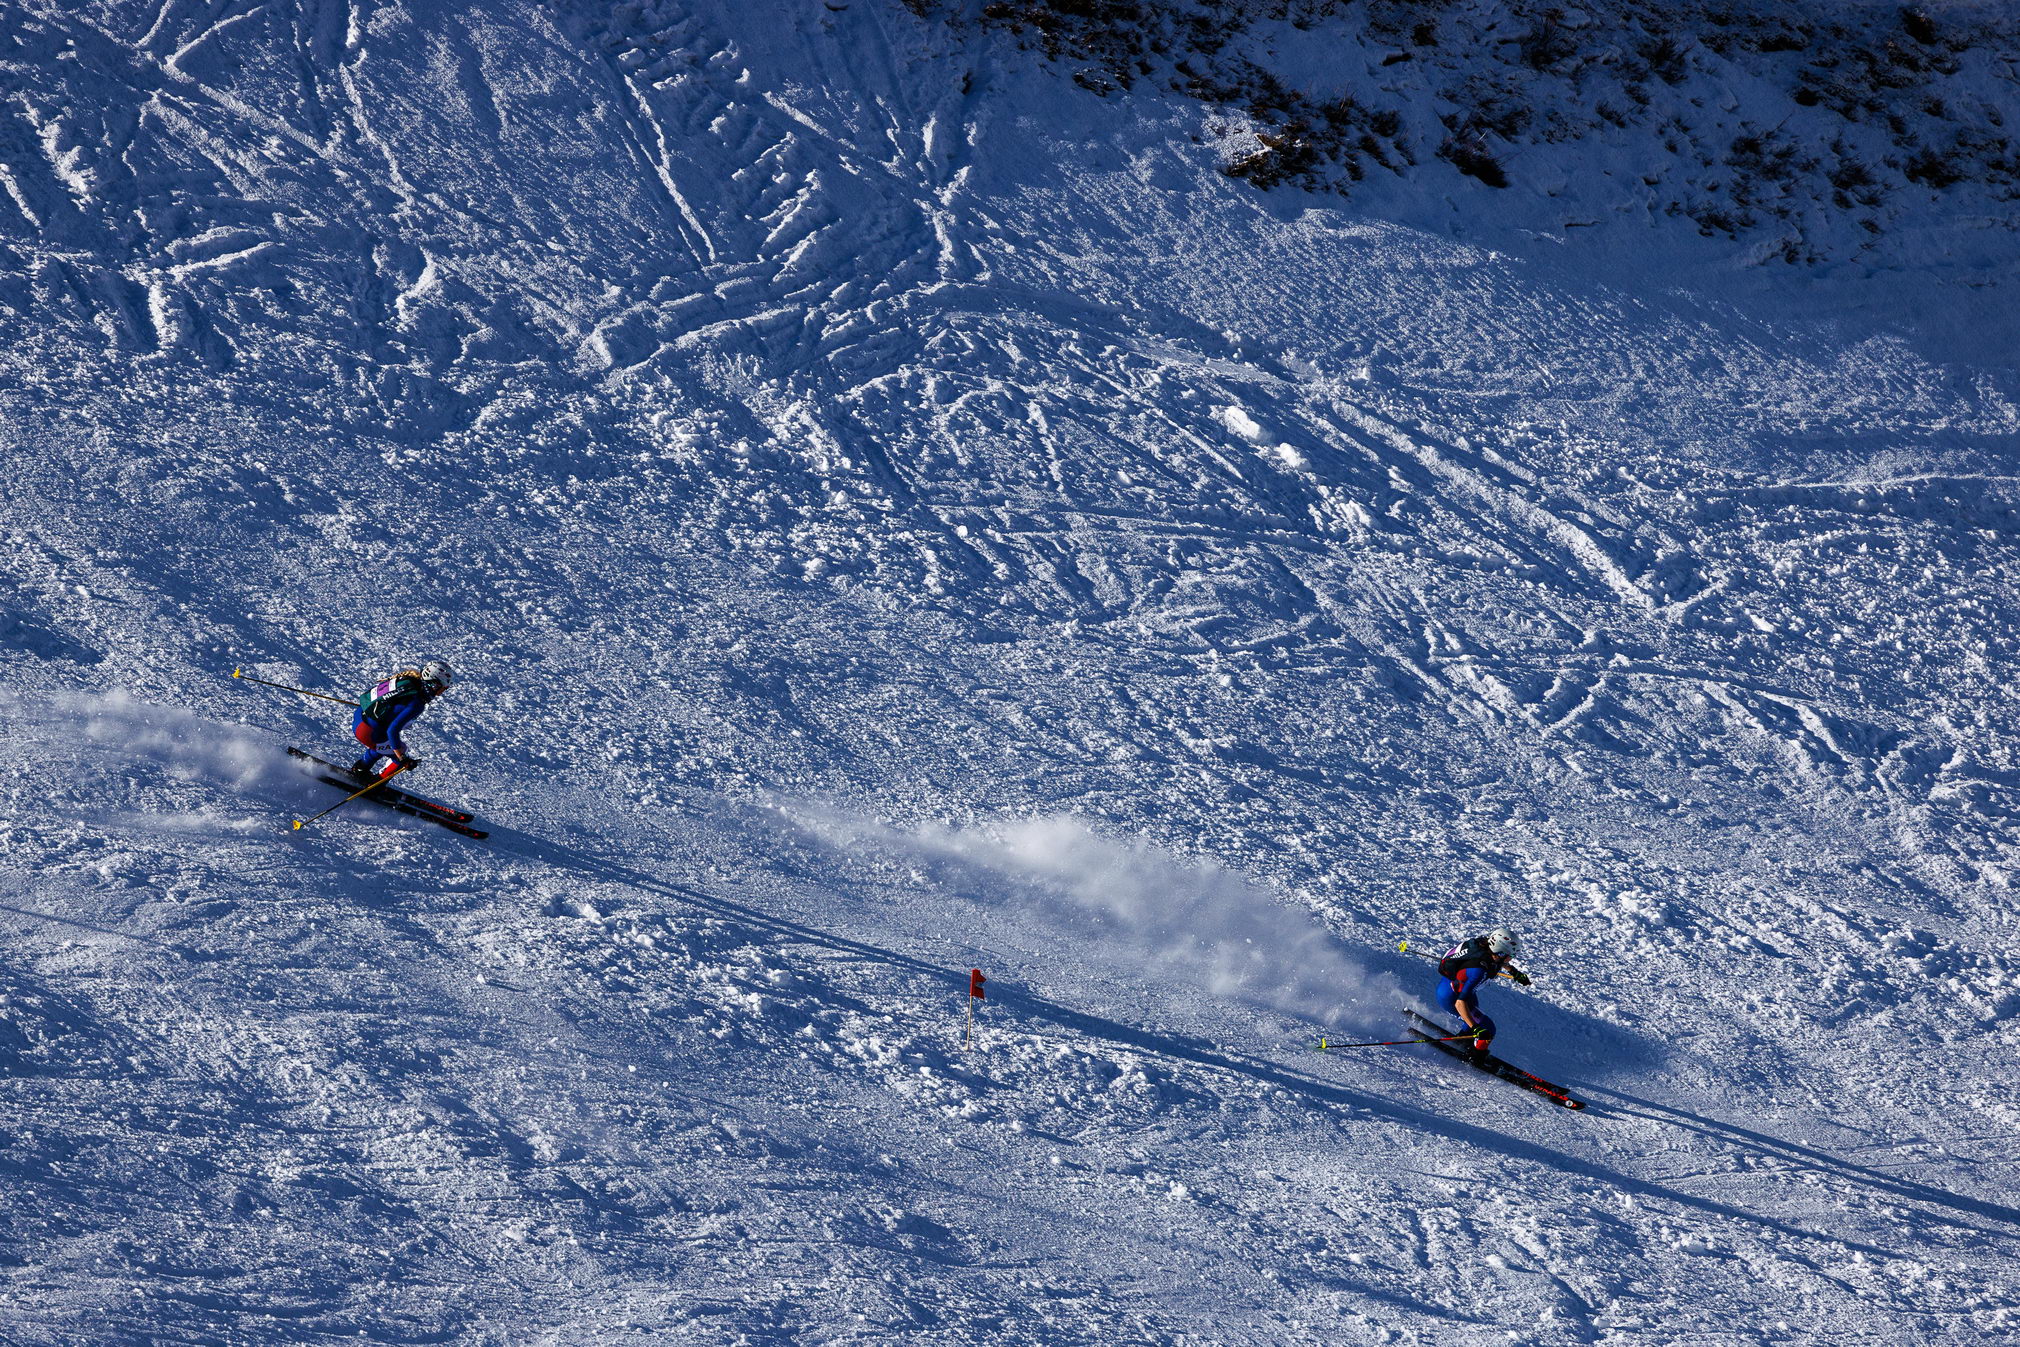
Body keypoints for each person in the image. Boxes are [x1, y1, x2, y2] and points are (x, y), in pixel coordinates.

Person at [1434, 928, 1531, 1064]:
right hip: (1451, 998)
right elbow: (1459, 1004)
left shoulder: (1488, 951)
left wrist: (1514, 972)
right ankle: (1475, 1055)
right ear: (1500, 952)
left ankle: (1465, 1039)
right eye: (1510, 955)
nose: (1511, 958)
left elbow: (1500, 961)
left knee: (1476, 1018)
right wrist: (1476, 1028)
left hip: (1459, 992)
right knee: (1487, 1028)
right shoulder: (1479, 971)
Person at [350, 660, 453, 781]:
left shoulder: (408, 680)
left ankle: (361, 768)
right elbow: (392, 731)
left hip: (360, 717)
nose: (442, 693)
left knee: (386, 744)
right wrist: (403, 759)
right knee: (400, 750)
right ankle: (375, 784)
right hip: (367, 732)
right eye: (443, 688)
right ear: (434, 684)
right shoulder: (417, 703)